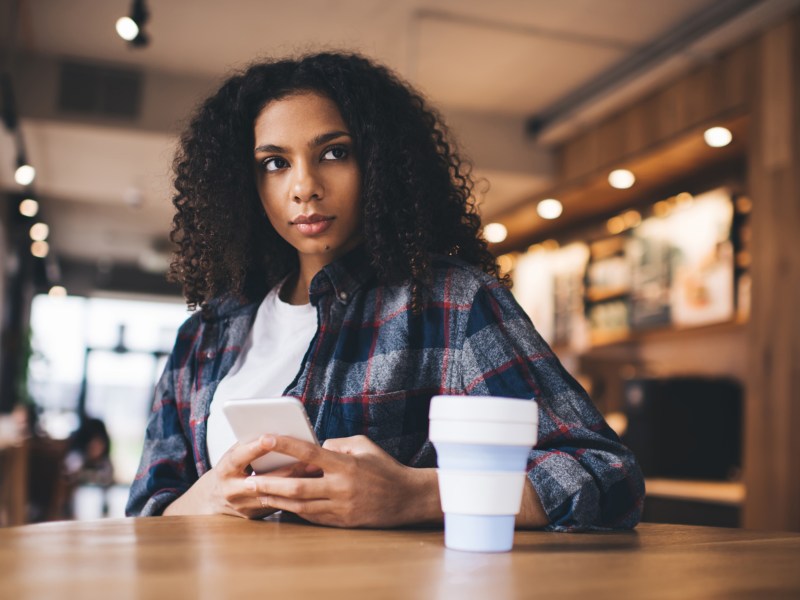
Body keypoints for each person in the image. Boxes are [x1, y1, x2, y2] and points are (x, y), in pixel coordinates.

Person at [126, 52, 644, 531]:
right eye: (274, 163)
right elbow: (147, 511)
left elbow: (607, 475)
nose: (303, 186)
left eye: (333, 153)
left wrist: (416, 496)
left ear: (380, 164)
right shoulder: (206, 334)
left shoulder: (451, 304)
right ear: (244, 183)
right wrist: (213, 495)